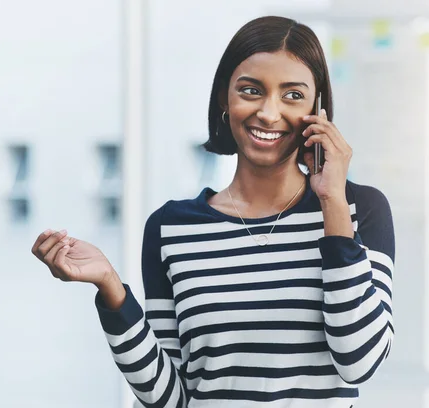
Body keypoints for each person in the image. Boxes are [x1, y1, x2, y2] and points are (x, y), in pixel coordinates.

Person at [31, 15, 395, 408]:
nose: (269, 114)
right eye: (251, 90)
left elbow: (359, 361)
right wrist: (112, 290)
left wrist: (333, 204)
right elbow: (167, 397)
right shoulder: (171, 228)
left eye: (292, 95)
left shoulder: (358, 210)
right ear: (225, 97)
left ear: (318, 109)